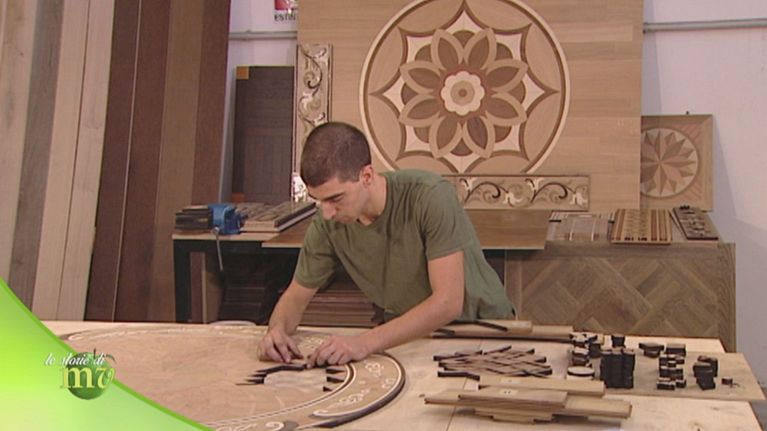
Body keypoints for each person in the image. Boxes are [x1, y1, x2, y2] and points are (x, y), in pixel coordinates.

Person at [258, 122, 512, 367]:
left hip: (483, 329)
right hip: (411, 335)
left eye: (336, 199)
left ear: (367, 175)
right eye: (318, 200)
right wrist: (277, 330)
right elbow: (295, 297)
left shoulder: (430, 196)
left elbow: (447, 303)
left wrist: (363, 343)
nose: (326, 213)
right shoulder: (327, 223)